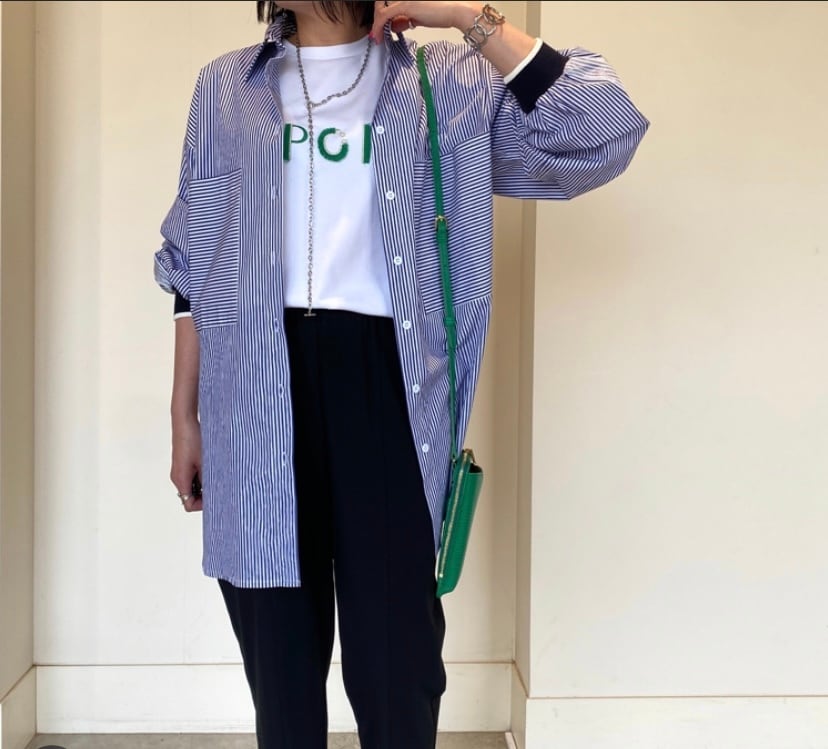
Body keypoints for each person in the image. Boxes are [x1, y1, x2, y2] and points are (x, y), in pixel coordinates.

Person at [153, 2, 648, 747]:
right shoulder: (225, 88)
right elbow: (192, 259)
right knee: (279, 672)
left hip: (388, 386)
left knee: (398, 664)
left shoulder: (447, 81)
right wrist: (183, 416)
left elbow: (602, 130)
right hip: (251, 388)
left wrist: (466, 15)